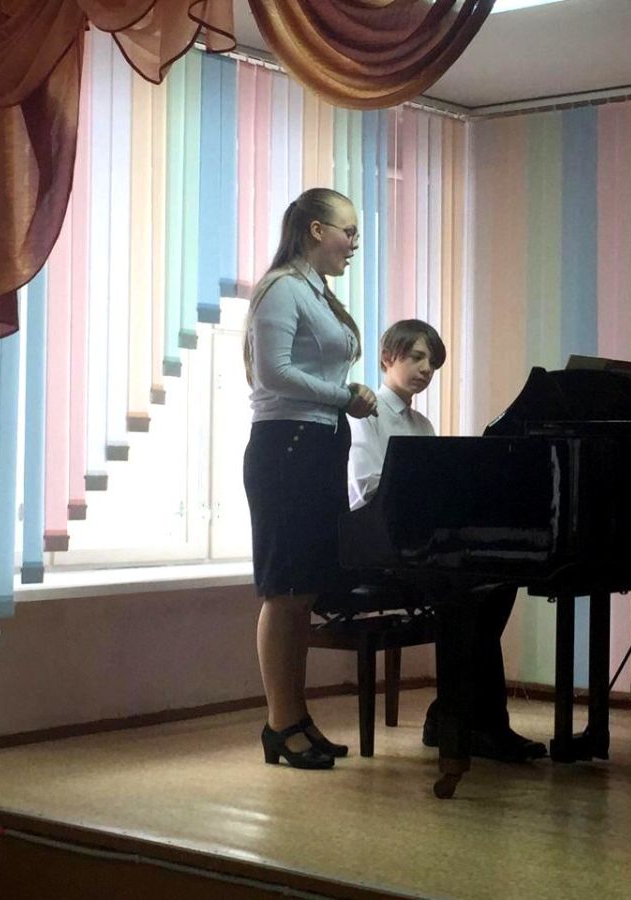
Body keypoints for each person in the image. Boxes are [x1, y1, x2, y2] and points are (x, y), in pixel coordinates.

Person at [347, 319, 547, 763]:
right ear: (388, 358)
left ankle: (460, 715)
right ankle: (472, 723)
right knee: (471, 593)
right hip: (381, 550)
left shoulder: (422, 424)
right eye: (416, 357)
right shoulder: (366, 417)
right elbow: (366, 489)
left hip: (421, 546)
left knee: (497, 582)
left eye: (432, 363)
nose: (426, 369)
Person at [243, 187, 378, 770]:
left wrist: (344, 398)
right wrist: (344, 396)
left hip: (318, 447)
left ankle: (295, 718)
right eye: (349, 231)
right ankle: (280, 723)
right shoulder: (281, 288)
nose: (354, 243)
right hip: (287, 451)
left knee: (304, 595)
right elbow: (273, 374)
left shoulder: (316, 292)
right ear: (317, 230)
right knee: (285, 591)